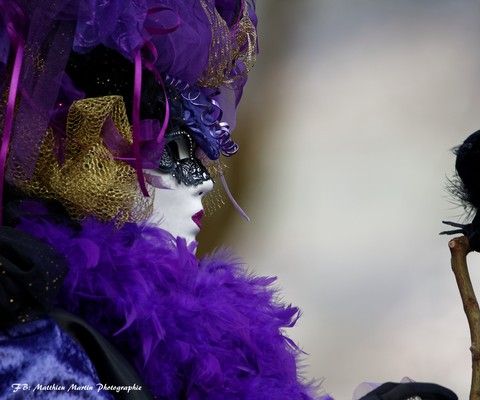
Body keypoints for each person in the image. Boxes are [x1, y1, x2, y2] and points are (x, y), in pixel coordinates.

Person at [0, 1, 326, 398]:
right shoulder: (39, 354)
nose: (204, 182)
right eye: (171, 149)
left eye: (198, 153)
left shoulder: (152, 332)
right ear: (89, 156)